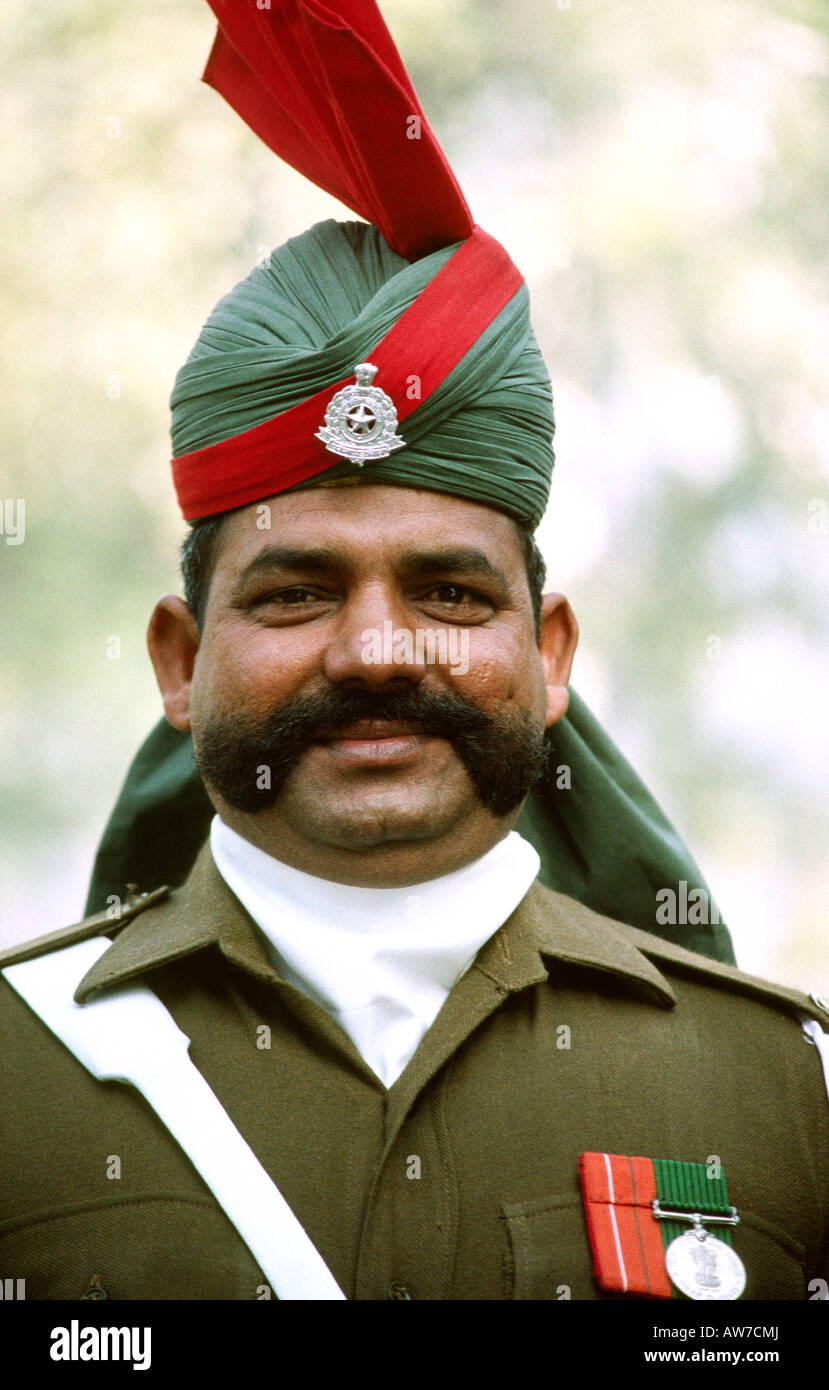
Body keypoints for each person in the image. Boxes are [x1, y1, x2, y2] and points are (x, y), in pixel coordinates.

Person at [1, 1, 827, 1303]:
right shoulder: (16, 1079)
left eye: (447, 593)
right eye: (292, 596)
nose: (377, 650)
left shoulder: (781, 1092)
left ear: (550, 655)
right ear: (178, 658)